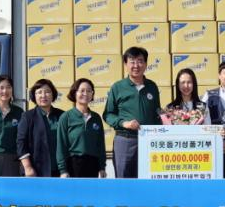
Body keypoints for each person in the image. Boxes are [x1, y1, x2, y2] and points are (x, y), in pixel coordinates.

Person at [103, 47, 161, 178]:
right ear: (125, 64)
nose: (136, 65)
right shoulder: (118, 87)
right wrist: (124, 123)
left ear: (146, 64)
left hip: (148, 141)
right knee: (124, 180)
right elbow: (108, 114)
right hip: (125, 140)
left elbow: (157, 114)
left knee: (148, 179)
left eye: (140, 61)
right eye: (132, 62)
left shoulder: (152, 86)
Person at [57, 78, 107, 178]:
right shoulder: (66, 117)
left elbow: (100, 145)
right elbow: (61, 146)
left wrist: (102, 167)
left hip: (93, 164)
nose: (85, 94)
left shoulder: (96, 117)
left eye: (89, 91)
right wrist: (63, 170)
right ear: (74, 93)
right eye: (82, 90)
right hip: (73, 164)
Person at [17, 79, 64, 177]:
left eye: (47, 92)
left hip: (59, 170)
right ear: (34, 96)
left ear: (53, 94)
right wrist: (28, 167)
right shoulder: (27, 116)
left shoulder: (62, 115)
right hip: (35, 170)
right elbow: (21, 143)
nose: (43, 95)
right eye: (39, 92)